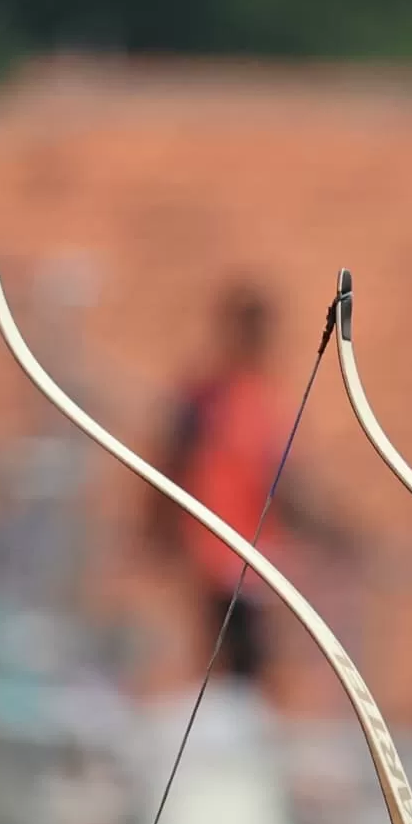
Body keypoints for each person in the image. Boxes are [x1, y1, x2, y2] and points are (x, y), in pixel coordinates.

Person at [155, 282, 293, 678]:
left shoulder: (266, 398)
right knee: (218, 662)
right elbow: (173, 462)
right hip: (213, 552)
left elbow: (283, 477)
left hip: (255, 556)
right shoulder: (204, 397)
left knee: (250, 666)